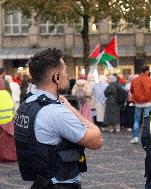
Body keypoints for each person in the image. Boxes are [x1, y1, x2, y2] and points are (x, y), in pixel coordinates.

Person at [14, 48, 103, 189]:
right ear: (56, 77)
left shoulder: (27, 104)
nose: (67, 76)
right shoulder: (56, 112)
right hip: (60, 183)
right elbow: (97, 141)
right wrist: (72, 109)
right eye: (65, 71)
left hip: (40, 181)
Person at [130, 65, 151, 144]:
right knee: (148, 121)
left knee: (136, 120)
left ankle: (135, 137)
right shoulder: (150, 80)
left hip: (138, 103)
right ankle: (148, 137)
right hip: (149, 103)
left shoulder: (134, 80)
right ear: (146, 71)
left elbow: (131, 91)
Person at [0, 79, 17, 162]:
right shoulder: (7, 94)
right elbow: (12, 108)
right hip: (8, 123)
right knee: (6, 144)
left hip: (1, 125)